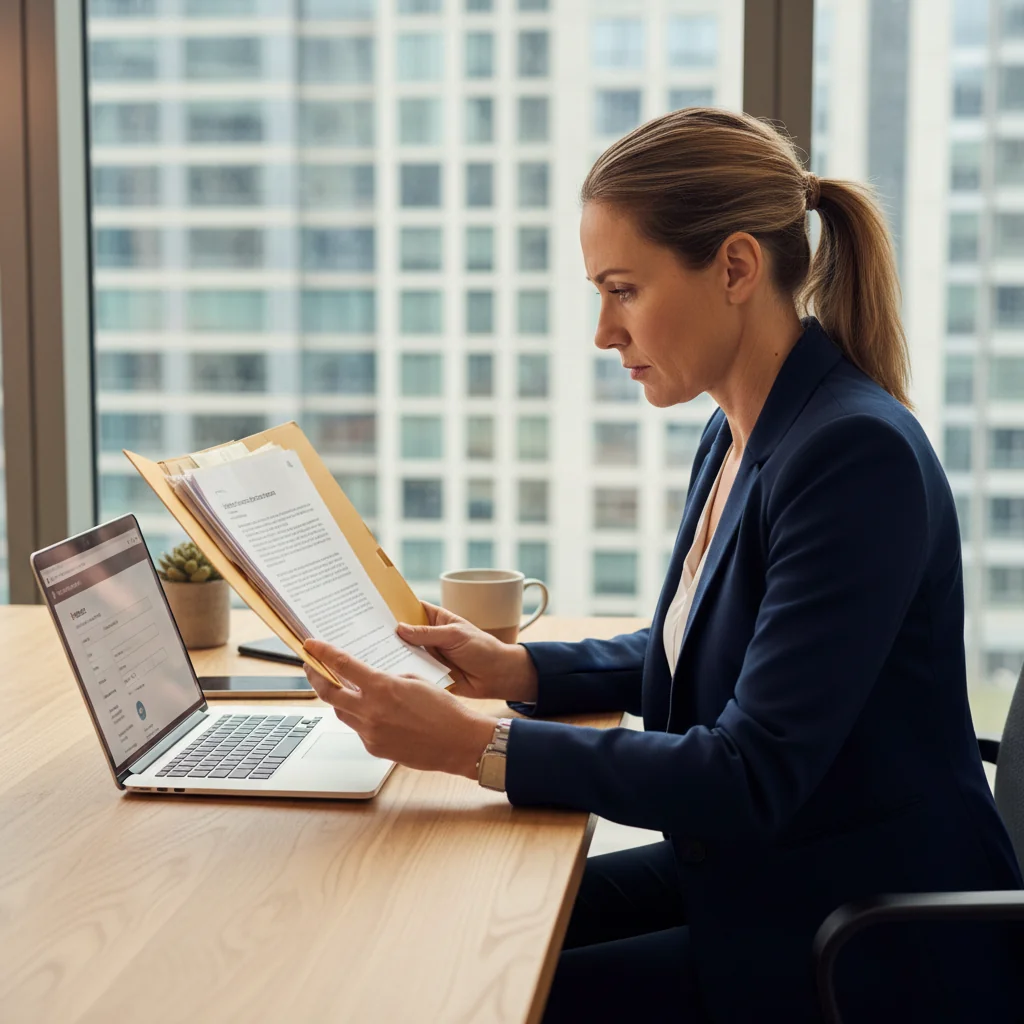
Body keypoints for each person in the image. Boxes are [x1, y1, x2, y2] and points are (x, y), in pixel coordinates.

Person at [302, 108, 1024, 1021]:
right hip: (765, 873)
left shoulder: (852, 457)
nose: (604, 332)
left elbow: (747, 774)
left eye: (624, 290)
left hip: (863, 938)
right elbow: (705, 647)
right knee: (452, 937)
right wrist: (519, 670)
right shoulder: (740, 431)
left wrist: (473, 746)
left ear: (735, 268)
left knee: (478, 993)